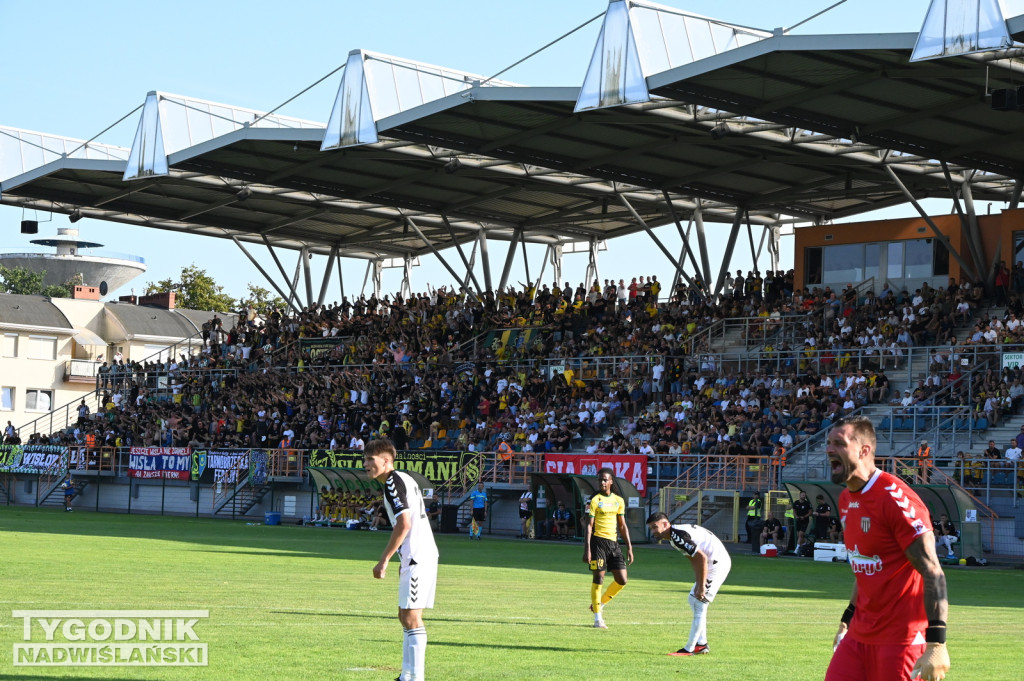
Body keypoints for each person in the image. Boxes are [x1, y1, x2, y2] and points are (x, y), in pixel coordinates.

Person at [825, 416, 950, 681]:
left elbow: (932, 571)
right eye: (828, 443)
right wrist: (848, 617)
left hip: (901, 641)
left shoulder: (896, 498)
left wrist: (937, 643)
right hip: (859, 636)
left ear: (864, 450)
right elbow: (866, 562)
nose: (829, 449)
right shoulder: (846, 498)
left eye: (839, 443)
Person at [363, 438, 439, 681]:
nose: (366, 464)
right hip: (416, 555)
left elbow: (405, 523)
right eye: (365, 459)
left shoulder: (393, 482)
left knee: (411, 617)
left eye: (370, 460)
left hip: (418, 555)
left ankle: (415, 678)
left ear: (386, 461)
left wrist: (383, 560)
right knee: (405, 615)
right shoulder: (403, 478)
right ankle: (407, 676)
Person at [646, 512, 731, 656]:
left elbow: (702, 558)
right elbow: (694, 559)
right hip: (711, 562)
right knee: (693, 599)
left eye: (655, 527)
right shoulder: (674, 537)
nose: (653, 531)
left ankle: (689, 649)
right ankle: (701, 644)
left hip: (717, 563)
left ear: (665, 524)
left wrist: (702, 585)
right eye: (651, 528)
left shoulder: (677, 536)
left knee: (700, 603)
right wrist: (699, 582)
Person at [583, 468, 634, 629]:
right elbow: (588, 526)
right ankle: (598, 619)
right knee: (598, 579)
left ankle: (600, 603)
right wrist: (587, 549)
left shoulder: (619, 500)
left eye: (605, 480)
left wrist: (630, 548)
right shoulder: (594, 500)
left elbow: (623, 525)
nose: (602, 483)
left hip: (614, 544)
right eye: (600, 480)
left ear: (611, 481)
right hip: (597, 543)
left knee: (622, 579)